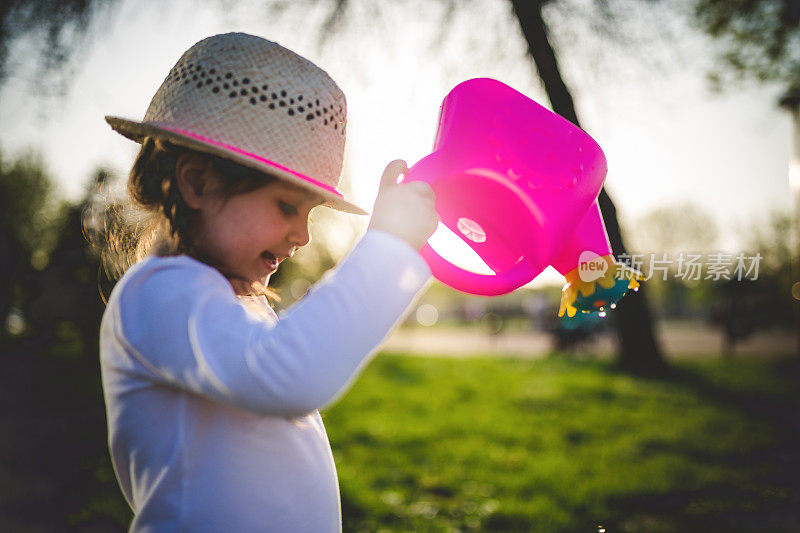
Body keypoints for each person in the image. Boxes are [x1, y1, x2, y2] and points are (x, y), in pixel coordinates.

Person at [99, 32, 438, 532]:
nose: (302, 235)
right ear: (198, 183)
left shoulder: (231, 304)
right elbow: (290, 372)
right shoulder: (158, 292)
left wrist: (400, 246)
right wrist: (387, 247)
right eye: (286, 206)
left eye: (310, 214)